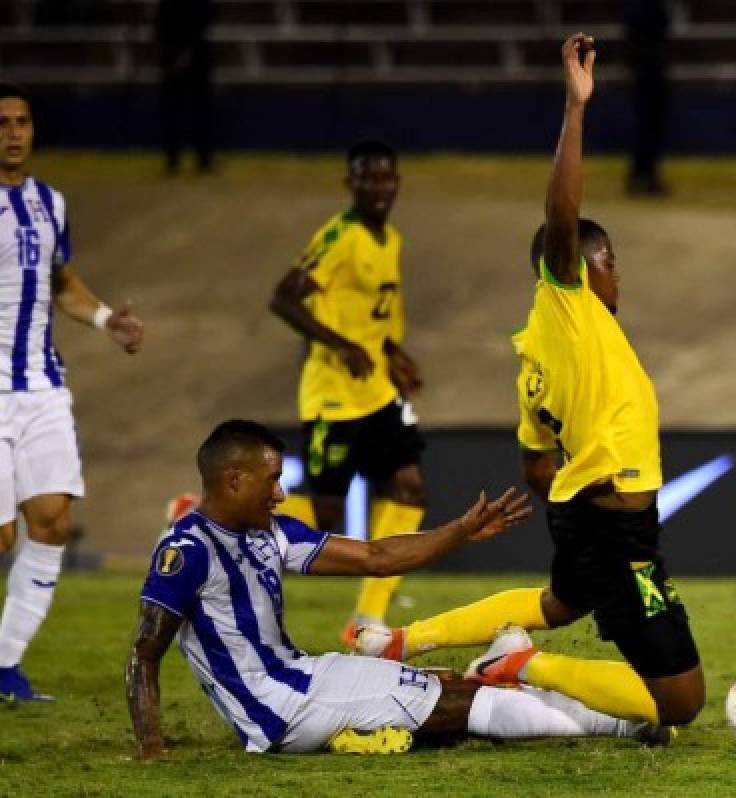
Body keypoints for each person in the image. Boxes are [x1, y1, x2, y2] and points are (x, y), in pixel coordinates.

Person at [355, 35, 705, 731]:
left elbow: (534, 463)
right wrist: (576, 111)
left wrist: (578, 490)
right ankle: (521, 667)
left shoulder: (536, 350)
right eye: (610, 259)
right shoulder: (567, 304)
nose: (616, 273)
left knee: (558, 604)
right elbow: (563, 215)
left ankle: (398, 641)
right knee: (680, 704)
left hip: (585, 516)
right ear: (577, 261)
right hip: (617, 528)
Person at [125, 420, 666, 758]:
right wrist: (151, 747)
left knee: (444, 684)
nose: (281, 492)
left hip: (303, 676)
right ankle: (622, 723)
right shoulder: (187, 552)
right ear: (234, 480)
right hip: (279, 707)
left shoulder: (269, 534)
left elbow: (376, 556)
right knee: (458, 701)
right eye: (271, 480)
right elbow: (144, 653)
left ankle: (374, 730)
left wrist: (459, 531)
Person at [0, 83, 146, 702]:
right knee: (2, 537)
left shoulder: (48, 203)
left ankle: (4, 666)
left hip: (42, 384)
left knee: (53, 522)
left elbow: (62, 282)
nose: (12, 131)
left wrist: (106, 318)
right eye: (2, 121)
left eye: (22, 121)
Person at [269, 140, 427, 647]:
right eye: (367, 178)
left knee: (408, 486)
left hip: (376, 391)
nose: (379, 187)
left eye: (386, 178)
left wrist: (394, 355)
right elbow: (284, 298)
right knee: (325, 517)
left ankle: (367, 619)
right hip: (332, 395)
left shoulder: (392, 239)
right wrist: (343, 346)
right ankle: (204, 513)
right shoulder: (339, 236)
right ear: (350, 183)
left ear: (397, 181)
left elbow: (377, 317)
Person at [156, 0, 214, 175]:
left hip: (197, 62)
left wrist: (188, 53)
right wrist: (172, 56)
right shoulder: (168, 5)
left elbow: (205, 20)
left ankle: (203, 159)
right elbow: (160, 27)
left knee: (200, 113)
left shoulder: (197, 6)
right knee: (173, 113)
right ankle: (173, 160)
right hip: (173, 61)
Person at [624, 0, 671, 196]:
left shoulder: (639, 8)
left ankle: (643, 174)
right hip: (648, 70)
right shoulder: (644, 8)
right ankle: (644, 175)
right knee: (648, 126)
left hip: (647, 69)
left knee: (649, 126)